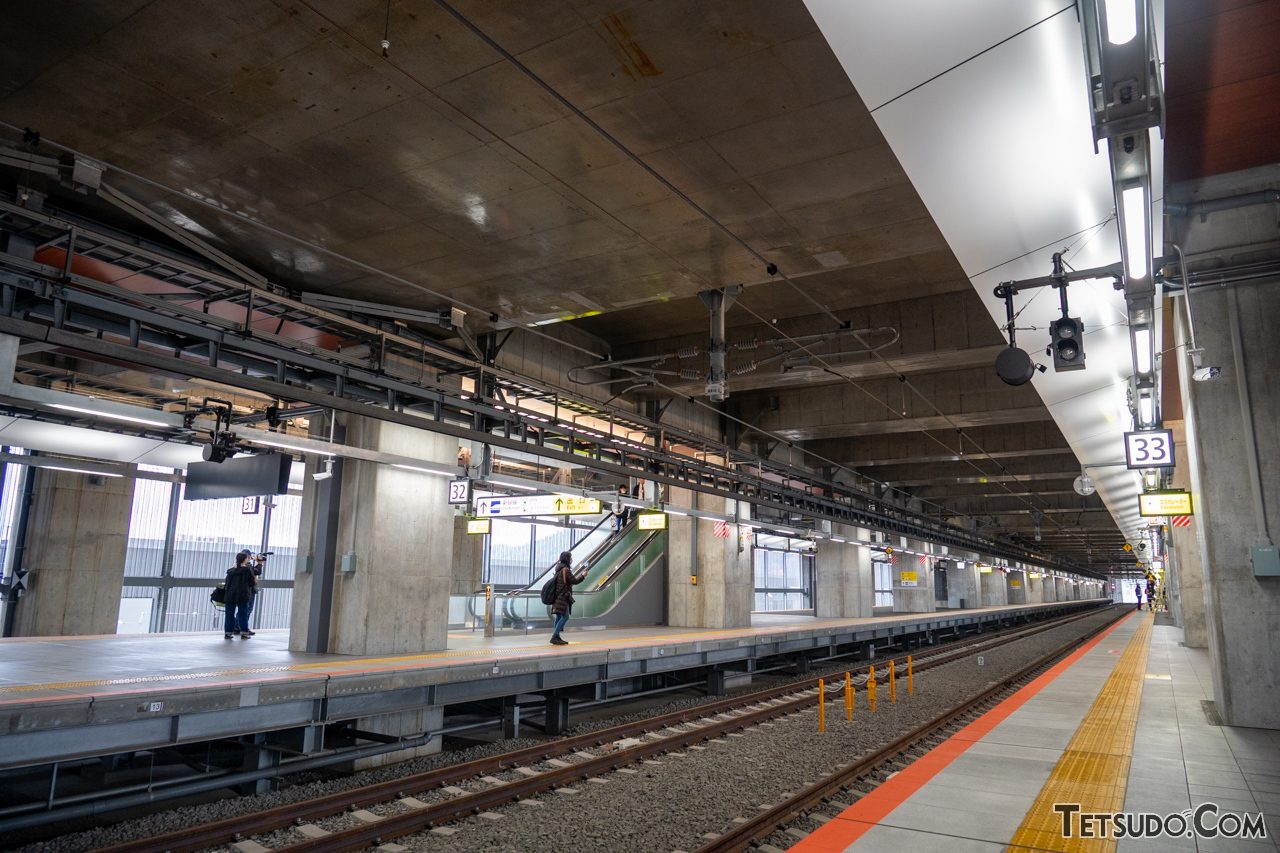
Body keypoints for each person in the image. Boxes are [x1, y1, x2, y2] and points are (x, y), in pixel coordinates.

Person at [549, 550, 585, 646]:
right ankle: (555, 635)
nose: (572, 559)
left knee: (559, 617)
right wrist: (583, 576)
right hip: (563, 597)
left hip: (557, 596)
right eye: (570, 558)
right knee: (565, 617)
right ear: (567, 559)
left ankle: (556, 636)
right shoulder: (566, 570)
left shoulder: (558, 569)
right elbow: (574, 581)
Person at [223, 552, 257, 639]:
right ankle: (244, 632)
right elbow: (251, 583)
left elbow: (227, 583)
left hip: (230, 595)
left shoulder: (230, 571)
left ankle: (228, 632)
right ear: (245, 559)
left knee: (229, 614)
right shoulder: (247, 570)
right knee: (243, 613)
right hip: (243, 595)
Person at [238, 549, 262, 637]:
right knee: (246, 610)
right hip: (248, 591)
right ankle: (242, 627)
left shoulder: (238, 567)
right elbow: (257, 572)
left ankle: (238, 626)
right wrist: (259, 564)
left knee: (243, 610)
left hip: (243, 591)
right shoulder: (247, 567)